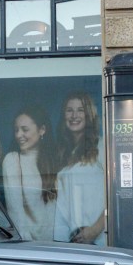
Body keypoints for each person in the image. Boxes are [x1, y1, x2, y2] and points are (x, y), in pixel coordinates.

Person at [53, 92, 107, 245]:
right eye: (69, 110)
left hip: (100, 239)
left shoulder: (101, 147)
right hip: (73, 242)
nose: (74, 115)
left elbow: (116, 195)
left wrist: (95, 230)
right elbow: (62, 207)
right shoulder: (63, 153)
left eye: (80, 110)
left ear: (89, 115)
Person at [0, 106, 58, 241]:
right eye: (16, 130)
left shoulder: (51, 160)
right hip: (29, 247)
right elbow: (16, 213)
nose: (19, 135)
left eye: (24, 130)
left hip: (55, 246)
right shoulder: (12, 160)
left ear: (42, 130)